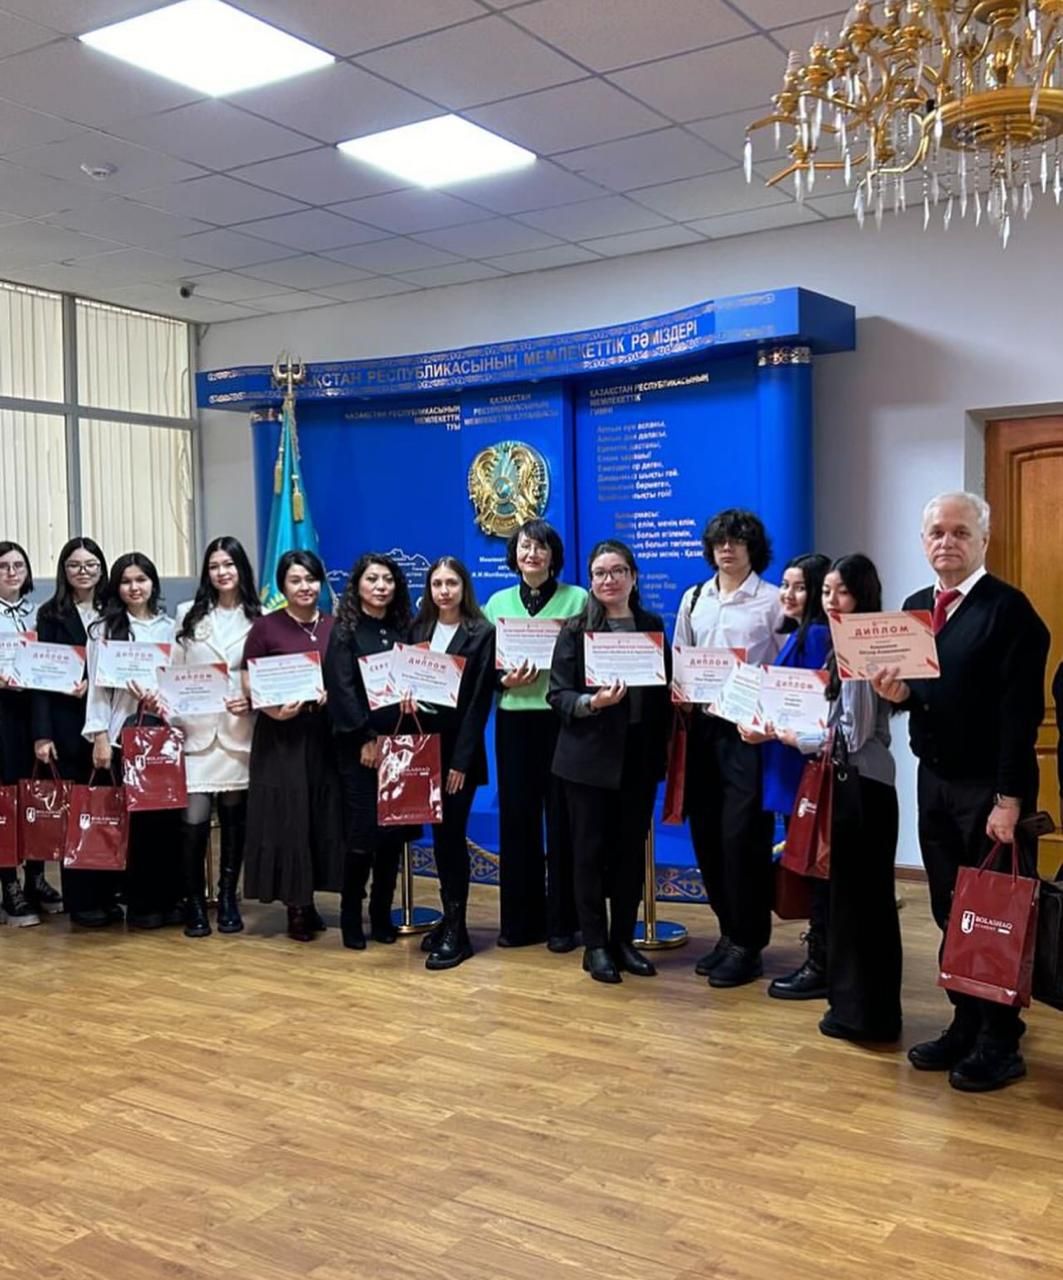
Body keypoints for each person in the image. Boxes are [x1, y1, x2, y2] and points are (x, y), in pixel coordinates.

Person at [873, 492, 1050, 1091]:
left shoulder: (1011, 612)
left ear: (983, 541)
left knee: (994, 917)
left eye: (960, 532)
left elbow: (1019, 718)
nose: (946, 542)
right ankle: (965, 1022)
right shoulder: (914, 610)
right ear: (923, 542)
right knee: (949, 907)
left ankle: (1001, 1041)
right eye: (936, 532)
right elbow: (924, 697)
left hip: (989, 790)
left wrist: (1009, 800)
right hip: (936, 781)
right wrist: (899, 697)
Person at [777, 555, 902, 1041]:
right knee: (854, 904)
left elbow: (854, 732)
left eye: (842, 592)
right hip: (857, 784)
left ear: (863, 596)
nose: (831, 600)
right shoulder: (841, 642)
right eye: (826, 591)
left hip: (861, 786)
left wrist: (798, 738)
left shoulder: (861, 645)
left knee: (862, 905)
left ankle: (865, 1016)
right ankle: (856, 1010)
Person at [548, 540, 672, 985]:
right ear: (590, 581)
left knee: (629, 855)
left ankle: (623, 939)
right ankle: (595, 945)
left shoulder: (652, 625)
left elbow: (664, 689)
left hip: (638, 757)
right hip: (587, 759)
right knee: (588, 853)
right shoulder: (575, 629)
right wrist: (592, 702)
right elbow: (558, 694)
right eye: (600, 573)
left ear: (633, 577)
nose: (609, 580)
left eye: (618, 571)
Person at [673, 509, 784, 987]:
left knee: (744, 838)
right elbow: (681, 658)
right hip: (703, 729)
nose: (727, 549)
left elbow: (786, 667)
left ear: (752, 548)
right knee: (708, 836)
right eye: (720, 542)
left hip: (747, 734)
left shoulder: (773, 601)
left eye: (737, 541)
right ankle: (728, 931)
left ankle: (749, 942)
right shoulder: (695, 597)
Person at [483, 518, 586, 951]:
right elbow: (482, 666)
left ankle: (563, 923)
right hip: (515, 721)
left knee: (563, 821)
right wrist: (502, 680)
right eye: (525, 547)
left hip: (561, 721)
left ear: (553, 555)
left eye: (541, 547)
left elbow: (587, 661)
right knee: (517, 821)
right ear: (515, 555)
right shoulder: (496, 602)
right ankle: (520, 923)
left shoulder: (577, 599)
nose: (532, 554)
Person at [741, 552, 832, 1000]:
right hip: (789, 763)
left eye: (800, 587)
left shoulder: (817, 635)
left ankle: (822, 961)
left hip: (803, 767)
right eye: (785, 585)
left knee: (815, 867)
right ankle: (819, 955)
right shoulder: (798, 633)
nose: (788, 594)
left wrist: (769, 730)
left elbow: (812, 712)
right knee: (806, 864)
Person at [242, 549, 343, 943]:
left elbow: (347, 677)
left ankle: (312, 897)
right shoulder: (266, 627)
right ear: (282, 586)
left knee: (321, 815)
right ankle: (295, 906)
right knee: (288, 816)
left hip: (325, 735)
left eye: (311, 579)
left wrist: (332, 695)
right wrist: (272, 710)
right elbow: (249, 679)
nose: (305, 587)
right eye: (295, 580)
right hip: (280, 736)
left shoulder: (335, 625)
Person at [83, 553, 183, 929]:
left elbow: (181, 681)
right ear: (116, 587)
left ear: (153, 583)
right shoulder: (102, 630)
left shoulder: (171, 628)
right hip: (121, 736)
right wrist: (99, 737)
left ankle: (169, 899)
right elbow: (97, 691)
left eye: (141, 580)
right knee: (136, 825)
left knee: (166, 822)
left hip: (165, 736)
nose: (134, 587)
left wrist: (163, 698)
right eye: (126, 581)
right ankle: (141, 905)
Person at [324, 552, 415, 950]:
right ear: (358, 585)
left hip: (399, 746)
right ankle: (350, 916)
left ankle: (381, 914)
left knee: (392, 834)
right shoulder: (345, 631)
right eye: (372, 579)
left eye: (388, 579)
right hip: (359, 748)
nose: (381, 586)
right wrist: (365, 737)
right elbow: (342, 689)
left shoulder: (403, 628)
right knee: (362, 833)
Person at [408, 556, 494, 971]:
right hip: (424, 749)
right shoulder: (417, 629)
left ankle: (458, 930)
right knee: (438, 838)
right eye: (437, 583)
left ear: (464, 588)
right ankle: (448, 918)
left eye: (452, 583)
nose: (444, 591)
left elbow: (479, 702)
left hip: (460, 753)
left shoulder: (481, 633)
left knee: (451, 837)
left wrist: (460, 762)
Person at [172, 537, 260, 938]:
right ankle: (193, 900)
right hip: (195, 731)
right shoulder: (186, 614)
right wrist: (174, 715)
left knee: (234, 819)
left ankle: (227, 897)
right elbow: (173, 672)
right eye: (214, 566)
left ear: (241, 568)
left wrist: (253, 701)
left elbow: (267, 676)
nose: (222, 572)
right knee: (193, 819)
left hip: (238, 732)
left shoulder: (260, 617)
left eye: (229, 564)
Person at [31, 537, 113, 927]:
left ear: (102, 568)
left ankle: (110, 894)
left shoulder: (114, 610)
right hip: (66, 726)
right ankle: (81, 901)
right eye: (75, 565)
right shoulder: (50, 614)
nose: (84, 571)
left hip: (109, 725)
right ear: (64, 571)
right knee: (77, 814)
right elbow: (38, 679)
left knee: (107, 812)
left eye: (91, 564)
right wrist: (42, 734)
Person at [0, 539, 53, 926]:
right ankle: (9, 884)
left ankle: (37, 877)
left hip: (34, 712)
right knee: (4, 799)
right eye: (3, 566)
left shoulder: (39, 614)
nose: (11, 572)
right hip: (1, 713)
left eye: (18, 565)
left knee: (36, 792)